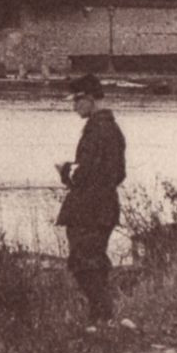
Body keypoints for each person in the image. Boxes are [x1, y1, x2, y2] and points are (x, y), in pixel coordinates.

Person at [54, 73, 126, 329]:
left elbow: (86, 173)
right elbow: (118, 173)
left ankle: (103, 318)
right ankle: (101, 319)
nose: (74, 108)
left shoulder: (97, 129)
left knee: (83, 264)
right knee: (94, 262)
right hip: (104, 207)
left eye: (77, 101)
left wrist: (66, 170)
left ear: (90, 99)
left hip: (88, 210)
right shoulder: (113, 129)